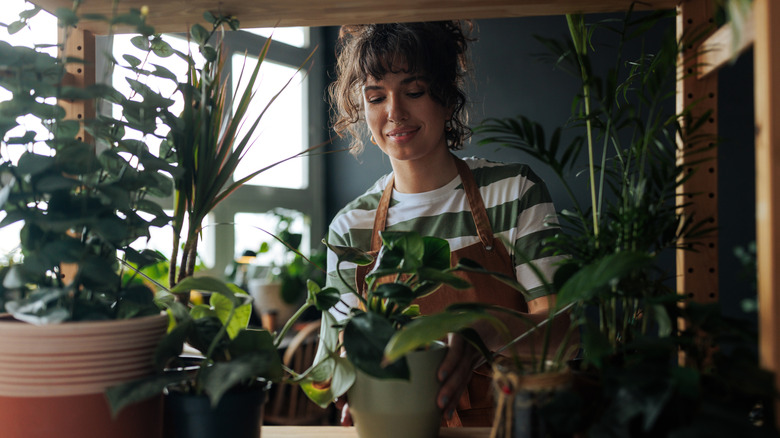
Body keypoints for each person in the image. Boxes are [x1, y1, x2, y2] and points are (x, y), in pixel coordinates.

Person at [324, 21, 572, 428]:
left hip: (507, 425)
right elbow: (337, 361)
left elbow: (564, 333)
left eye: (414, 90)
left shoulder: (513, 192)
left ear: (445, 98)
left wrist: (485, 331)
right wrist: (352, 378)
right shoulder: (351, 228)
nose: (394, 112)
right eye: (375, 97)